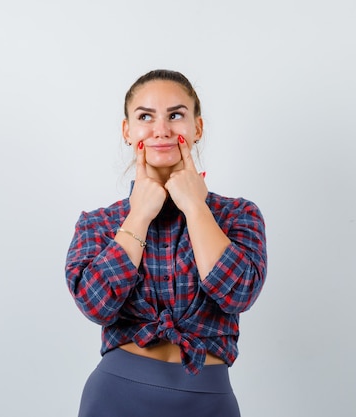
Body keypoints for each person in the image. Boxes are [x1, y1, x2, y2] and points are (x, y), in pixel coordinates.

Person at [65, 69, 267, 417]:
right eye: (146, 116)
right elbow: (95, 306)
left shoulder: (237, 214)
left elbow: (238, 294)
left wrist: (194, 207)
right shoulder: (98, 223)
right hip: (116, 396)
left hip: (208, 399)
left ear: (197, 128)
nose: (162, 130)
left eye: (176, 115)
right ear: (128, 131)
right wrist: (139, 215)